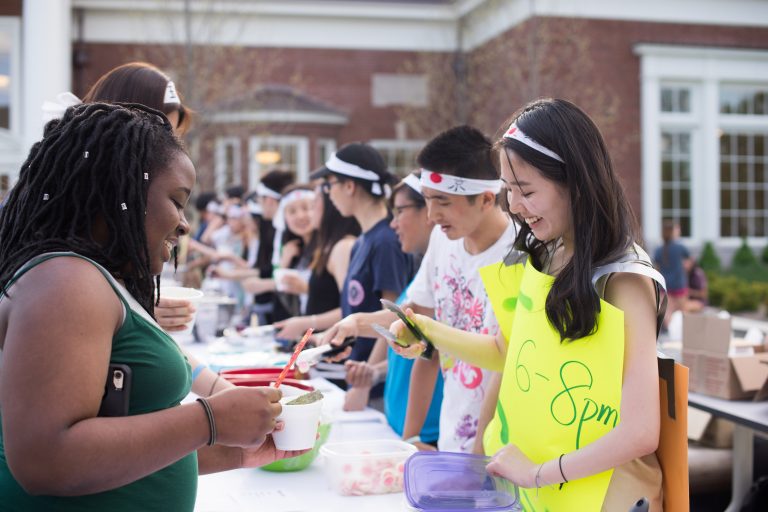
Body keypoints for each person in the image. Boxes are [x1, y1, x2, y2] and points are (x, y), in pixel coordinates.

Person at [0, 103, 305, 510]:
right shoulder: (66, 281)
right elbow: (46, 460)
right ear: (119, 192)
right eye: (176, 201)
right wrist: (209, 420)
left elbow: (119, 448)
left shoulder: (91, 279)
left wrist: (238, 451)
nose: (184, 223)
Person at [389, 99, 667, 511]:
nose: (514, 206)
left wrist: (536, 473)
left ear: (576, 181)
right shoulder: (543, 255)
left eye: (527, 191)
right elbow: (506, 352)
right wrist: (425, 331)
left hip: (604, 497)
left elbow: (642, 431)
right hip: (541, 492)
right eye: (509, 191)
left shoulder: (623, 279)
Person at [321, 172, 444, 440]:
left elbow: (433, 349)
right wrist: (373, 373)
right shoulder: (423, 274)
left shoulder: (446, 274)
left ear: (430, 210)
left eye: (400, 211)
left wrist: (355, 323)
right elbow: (414, 343)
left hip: (429, 433)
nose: (393, 224)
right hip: (401, 426)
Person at [310, 143, 415, 369]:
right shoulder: (362, 241)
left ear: (349, 186)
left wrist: (368, 375)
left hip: (373, 383)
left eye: (330, 185)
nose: (329, 194)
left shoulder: (386, 241)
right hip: (356, 371)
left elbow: (394, 317)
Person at [272, 183, 360, 340]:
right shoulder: (296, 249)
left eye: (310, 207)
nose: (302, 216)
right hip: (315, 338)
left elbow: (353, 307)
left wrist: (306, 291)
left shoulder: (340, 247)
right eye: (292, 211)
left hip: (334, 341)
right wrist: (284, 264)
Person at [654, 219, 690, 328]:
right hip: (679, 285)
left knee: (667, 313)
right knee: (683, 311)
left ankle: (669, 332)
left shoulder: (659, 250)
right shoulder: (680, 248)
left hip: (665, 286)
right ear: (673, 231)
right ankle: (684, 334)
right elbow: (688, 263)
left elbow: (657, 269)